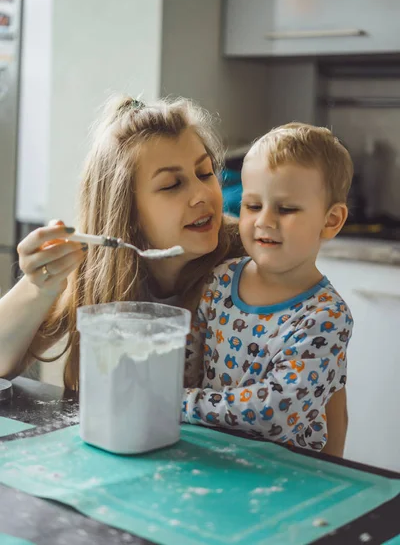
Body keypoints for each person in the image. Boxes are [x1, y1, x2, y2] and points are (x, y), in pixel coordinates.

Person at [0, 101, 348, 455]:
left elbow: (328, 405)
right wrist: (37, 286)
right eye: (171, 185)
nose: (202, 195)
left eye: (204, 172)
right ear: (128, 212)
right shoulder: (97, 274)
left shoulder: (254, 264)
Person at [182, 123, 354, 453]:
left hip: (287, 475)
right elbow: (188, 365)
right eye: (253, 205)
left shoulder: (326, 317)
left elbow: (276, 412)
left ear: (330, 220)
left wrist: (184, 405)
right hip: (213, 457)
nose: (265, 221)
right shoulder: (218, 280)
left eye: (286, 208)